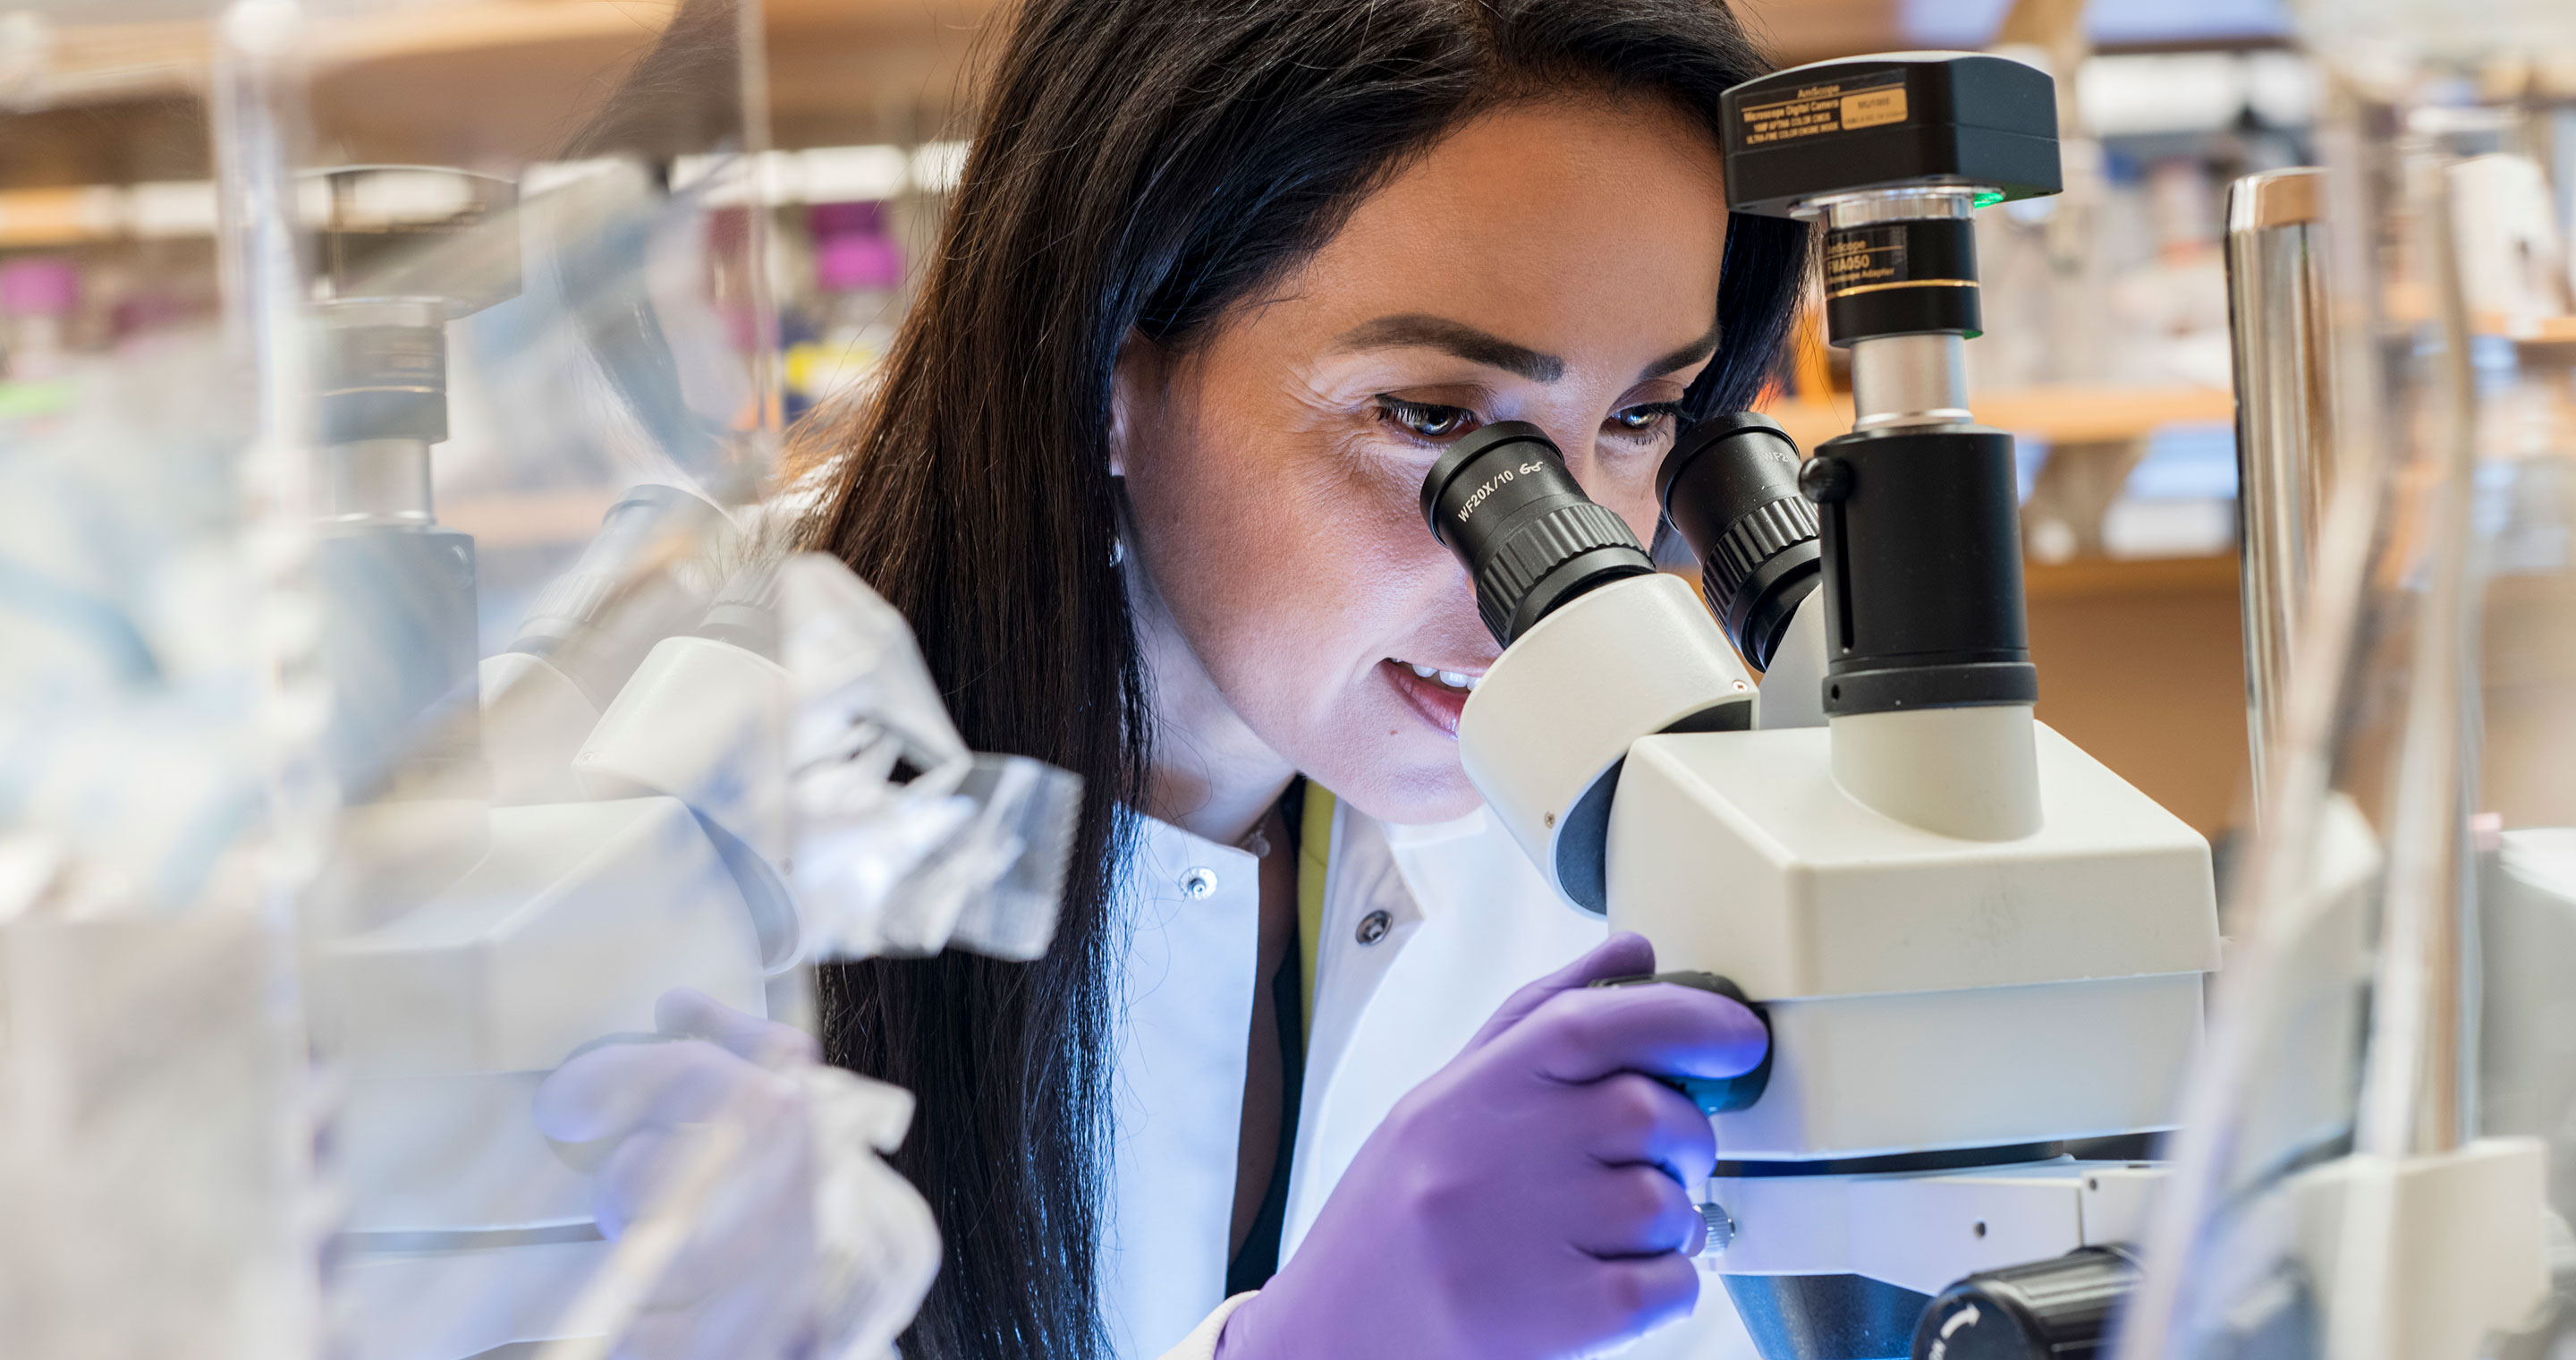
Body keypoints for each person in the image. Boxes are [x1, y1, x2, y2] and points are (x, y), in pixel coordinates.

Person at [797, 1, 1812, 1356]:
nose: (1557, 567)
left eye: (1638, 420)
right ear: (1106, 368)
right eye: (1434, 420)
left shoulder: (1579, 841)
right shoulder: (703, 838)